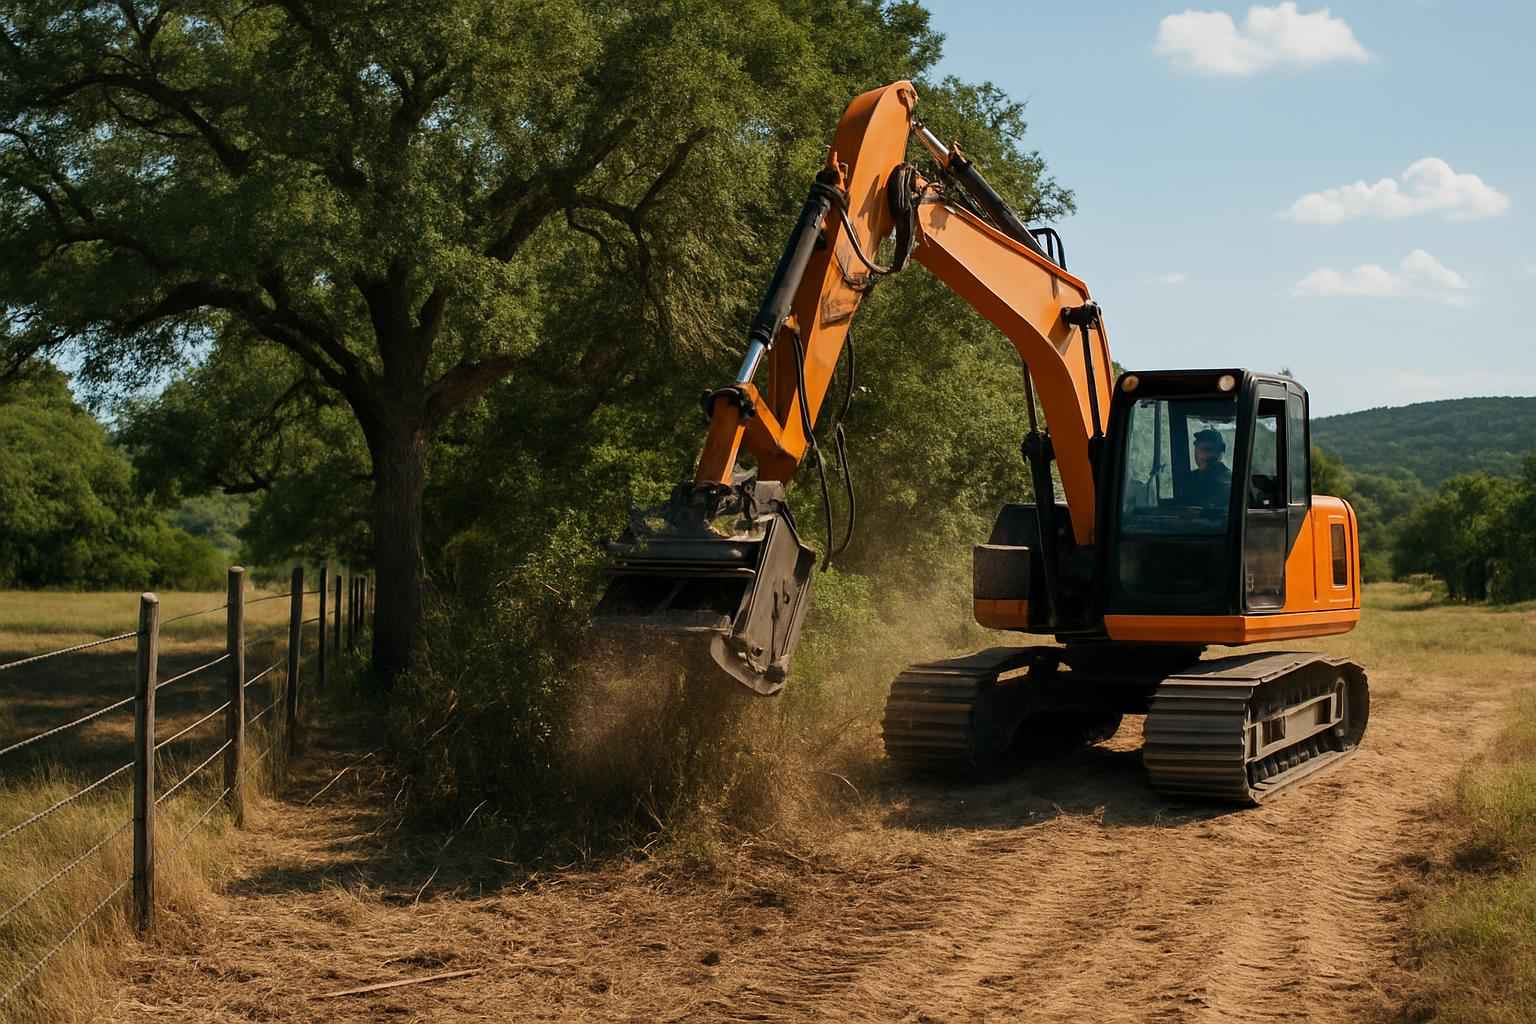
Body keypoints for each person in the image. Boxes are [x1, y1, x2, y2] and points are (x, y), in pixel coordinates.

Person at [1186, 428, 1232, 509]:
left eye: (1208, 449)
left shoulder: (1227, 481)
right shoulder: (1190, 478)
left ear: (1220, 452)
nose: (1202, 454)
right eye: (1199, 449)